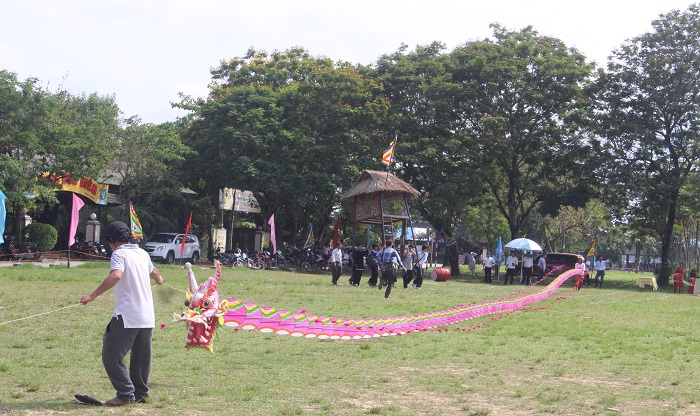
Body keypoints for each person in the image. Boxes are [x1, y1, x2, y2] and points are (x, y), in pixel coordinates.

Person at [80, 221, 163, 406]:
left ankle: (125, 394)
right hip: (147, 316)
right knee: (141, 359)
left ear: (111, 241)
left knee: (111, 355)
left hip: (127, 316)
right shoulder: (142, 253)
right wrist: (158, 279)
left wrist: (92, 295)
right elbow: (155, 272)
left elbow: (116, 275)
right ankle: (140, 393)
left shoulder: (119, 253)